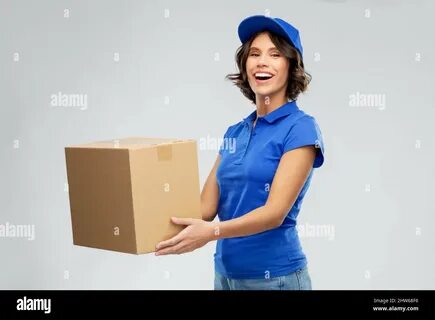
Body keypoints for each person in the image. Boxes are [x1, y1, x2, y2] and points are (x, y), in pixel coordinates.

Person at [155, 15, 325, 290]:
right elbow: (205, 209)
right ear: (245, 66)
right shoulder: (235, 132)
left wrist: (212, 233)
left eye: (275, 54)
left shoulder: (301, 128)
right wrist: (146, 213)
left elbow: (273, 214)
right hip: (225, 277)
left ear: (291, 65)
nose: (262, 62)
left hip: (276, 279)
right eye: (254, 54)